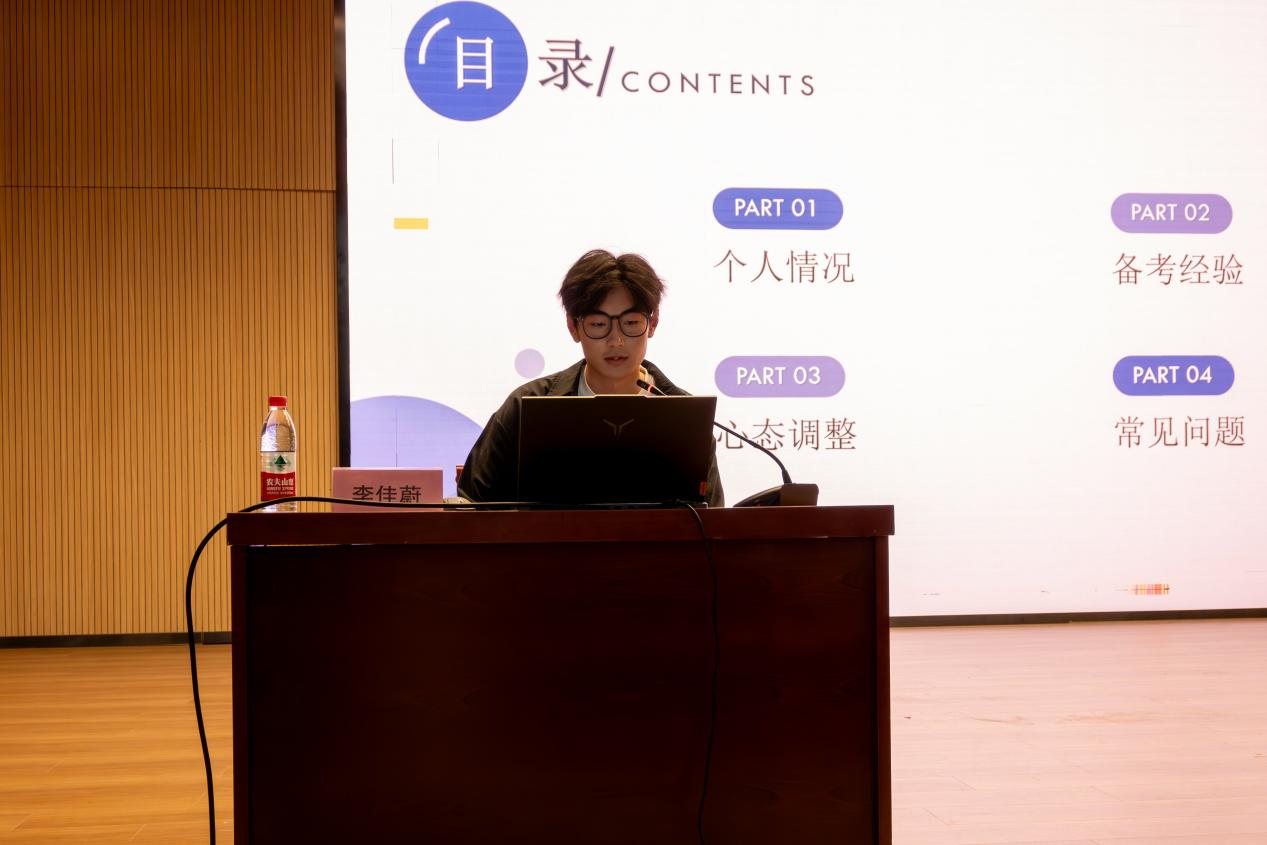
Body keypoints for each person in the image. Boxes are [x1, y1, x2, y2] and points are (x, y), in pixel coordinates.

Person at [457, 249, 724, 507]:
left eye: (631, 323)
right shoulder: (525, 406)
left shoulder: (687, 418)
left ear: (652, 324)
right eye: (598, 324)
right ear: (573, 327)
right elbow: (470, 507)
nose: (616, 341)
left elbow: (714, 524)